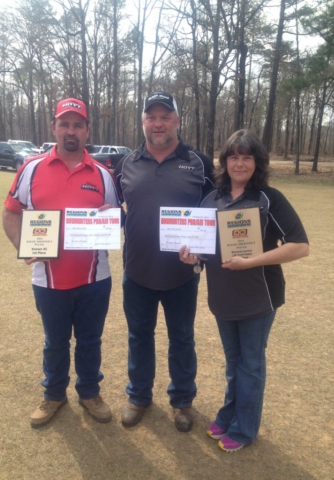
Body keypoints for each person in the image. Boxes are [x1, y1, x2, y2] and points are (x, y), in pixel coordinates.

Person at [180, 130, 309, 450]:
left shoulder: (269, 198)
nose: (239, 163)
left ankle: (245, 428)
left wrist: (253, 261)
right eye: (233, 157)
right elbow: (206, 250)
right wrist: (192, 257)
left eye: (246, 157)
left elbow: (300, 247)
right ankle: (228, 414)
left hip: (259, 297)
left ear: (257, 162)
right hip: (223, 298)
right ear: (225, 162)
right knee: (233, 361)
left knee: (250, 364)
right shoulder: (212, 199)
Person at [2, 98, 121, 428]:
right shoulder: (32, 167)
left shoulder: (103, 174)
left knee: (90, 341)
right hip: (48, 280)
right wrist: (22, 245)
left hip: (95, 278)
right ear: (53, 127)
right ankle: (54, 394)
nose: (71, 131)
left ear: (87, 131)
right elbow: (11, 212)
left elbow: (117, 219)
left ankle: (89, 392)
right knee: (55, 343)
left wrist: (112, 219)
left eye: (78, 124)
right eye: (64, 124)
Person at [114, 91, 214, 432]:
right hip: (137, 271)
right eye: (151, 117)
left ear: (177, 121)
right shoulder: (126, 163)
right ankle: (138, 396)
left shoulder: (199, 163)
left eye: (165, 116)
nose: (158, 123)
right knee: (138, 336)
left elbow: (214, 214)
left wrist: (203, 252)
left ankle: (182, 400)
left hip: (182, 275)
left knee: (182, 338)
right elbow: (112, 209)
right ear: (143, 122)